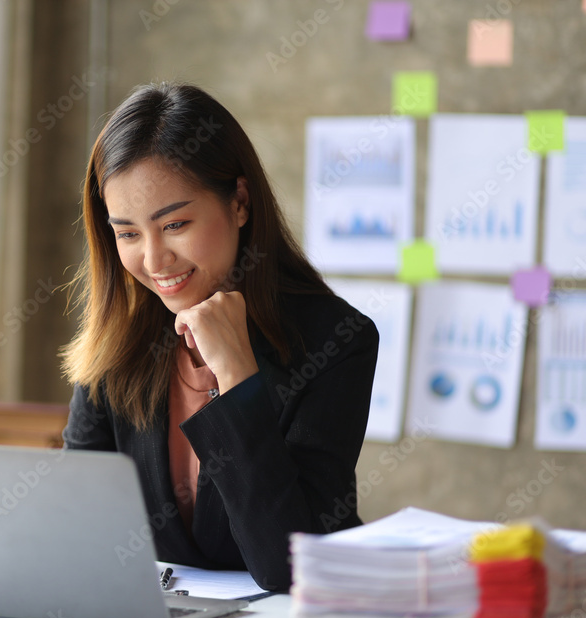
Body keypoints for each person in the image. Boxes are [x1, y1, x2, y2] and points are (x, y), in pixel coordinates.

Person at [60, 82, 379, 592]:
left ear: (240, 203)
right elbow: (76, 525)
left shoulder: (336, 341)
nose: (154, 259)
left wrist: (236, 374)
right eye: (127, 233)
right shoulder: (118, 339)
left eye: (176, 223)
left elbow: (288, 567)